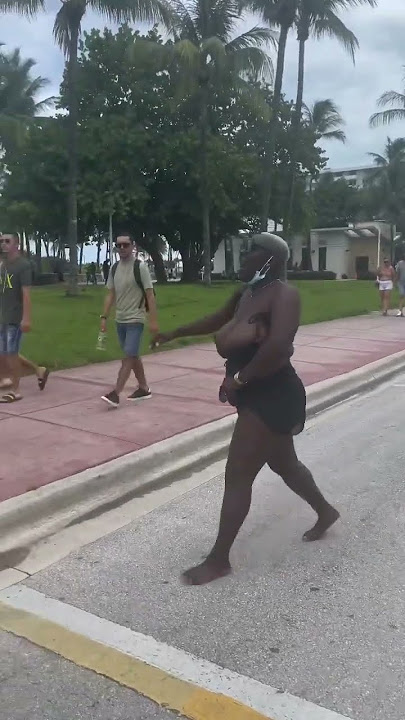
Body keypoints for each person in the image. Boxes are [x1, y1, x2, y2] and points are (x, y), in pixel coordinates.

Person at [153, 233, 339, 586]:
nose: (242, 258)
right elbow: (215, 320)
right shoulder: (246, 294)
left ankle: (219, 559)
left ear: (269, 259)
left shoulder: (285, 295)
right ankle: (326, 512)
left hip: (274, 394)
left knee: (238, 474)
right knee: (286, 465)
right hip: (254, 393)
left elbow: (280, 346)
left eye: (250, 252)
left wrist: (239, 378)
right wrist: (174, 333)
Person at [100, 234, 158, 407]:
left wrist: (153, 321)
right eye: (119, 245)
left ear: (133, 246)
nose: (122, 248)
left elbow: (149, 294)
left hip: (136, 318)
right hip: (120, 319)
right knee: (132, 355)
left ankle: (115, 393)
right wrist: (104, 316)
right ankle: (143, 387)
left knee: (128, 356)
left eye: (126, 245)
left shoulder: (140, 267)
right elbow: (110, 293)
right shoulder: (114, 268)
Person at [0, 232, 32, 402]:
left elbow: (26, 293)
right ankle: (6, 381)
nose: (4, 244)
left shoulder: (23, 265)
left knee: (12, 354)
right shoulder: (3, 266)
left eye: (7, 241)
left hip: (15, 318)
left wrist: (26, 318)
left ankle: (16, 389)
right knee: (3, 353)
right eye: (2, 241)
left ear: (16, 244)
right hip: (3, 317)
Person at [395, 252, 405, 317]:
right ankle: (400, 311)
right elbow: (398, 273)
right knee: (402, 295)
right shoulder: (400, 263)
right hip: (401, 282)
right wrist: (395, 281)